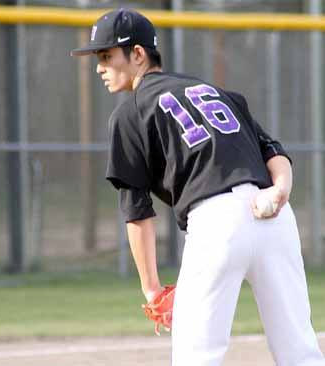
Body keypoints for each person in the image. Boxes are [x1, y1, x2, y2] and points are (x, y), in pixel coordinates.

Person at [71, 8, 325, 366]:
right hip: (275, 217)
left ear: (138, 54)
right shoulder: (218, 92)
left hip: (216, 223)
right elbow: (273, 151)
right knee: (299, 350)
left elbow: (137, 212)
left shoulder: (130, 113)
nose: (99, 67)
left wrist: (152, 290)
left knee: (197, 356)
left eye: (107, 56)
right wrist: (280, 189)